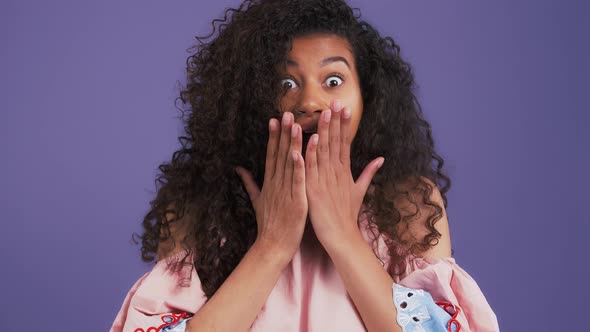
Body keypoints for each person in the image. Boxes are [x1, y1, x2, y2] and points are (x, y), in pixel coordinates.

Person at [110, 0, 499, 331]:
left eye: (333, 80)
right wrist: (272, 245)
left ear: (369, 98)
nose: (310, 102)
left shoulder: (408, 204)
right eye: (285, 83)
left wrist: (344, 236)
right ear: (249, 100)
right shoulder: (194, 208)